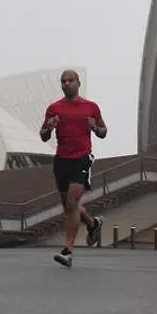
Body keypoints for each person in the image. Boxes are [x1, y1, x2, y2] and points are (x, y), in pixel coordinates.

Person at [41, 70, 107, 268]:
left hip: (82, 159)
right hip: (62, 160)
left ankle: (67, 251)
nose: (66, 84)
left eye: (70, 80)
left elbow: (103, 132)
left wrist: (95, 127)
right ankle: (93, 224)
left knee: (72, 202)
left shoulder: (91, 107)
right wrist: (49, 127)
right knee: (69, 206)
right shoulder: (54, 108)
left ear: (78, 83)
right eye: (63, 81)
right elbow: (43, 135)